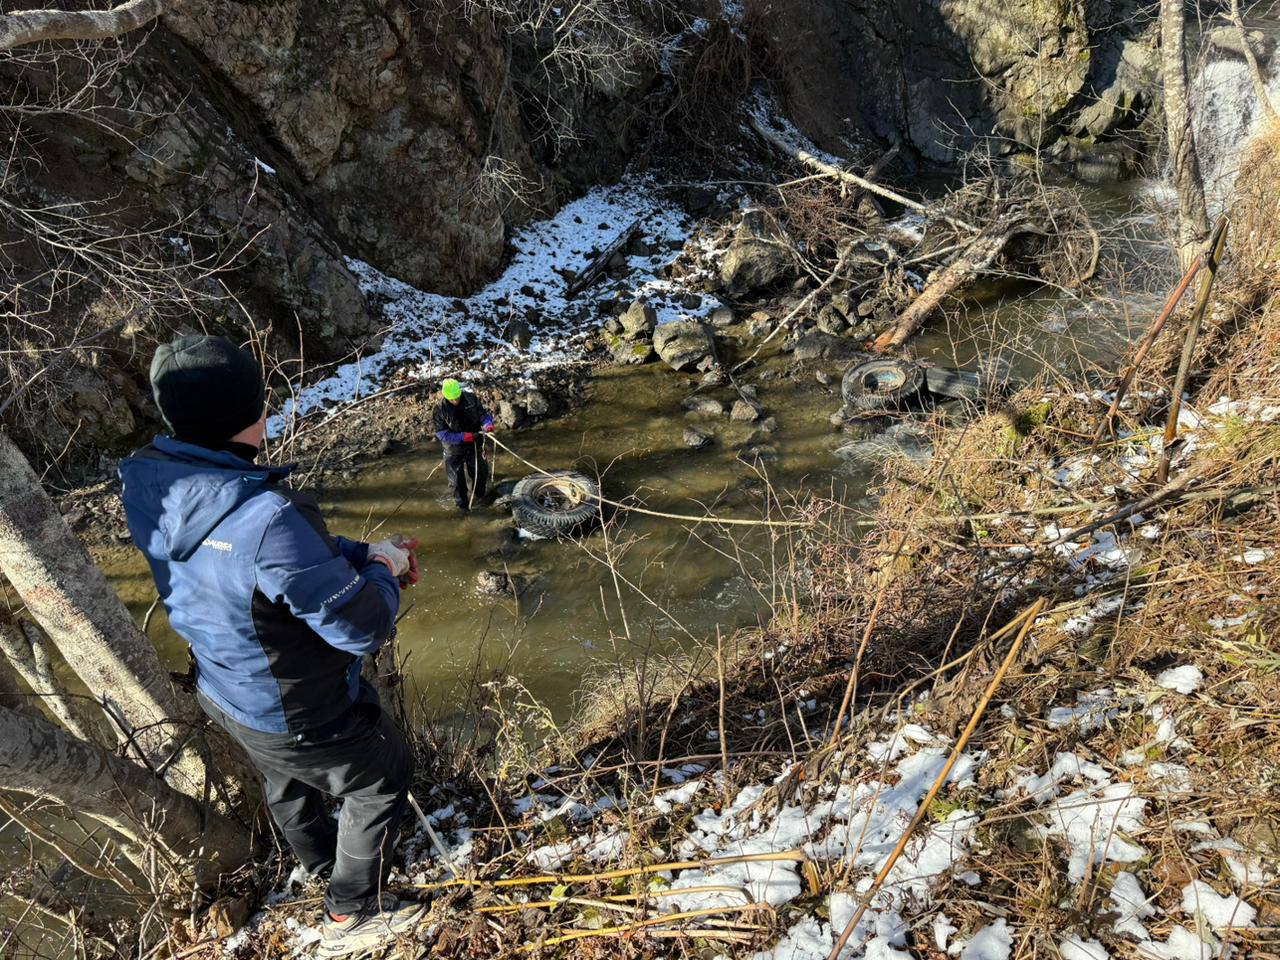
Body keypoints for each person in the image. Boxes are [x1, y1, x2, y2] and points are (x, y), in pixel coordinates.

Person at [119, 335, 425, 958]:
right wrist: (384, 575)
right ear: (250, 416)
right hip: (297, 706)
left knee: (285, 780)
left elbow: (254, 561)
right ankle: (350, 913)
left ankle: (317, 867)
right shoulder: (268, 516)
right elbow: (361, 627)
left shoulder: (152, 482)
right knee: (381, 776)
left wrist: (360, 555)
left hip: (227, 691)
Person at [431, 378, 494, 512]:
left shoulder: (471, 399)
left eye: (457, 397)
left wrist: (487, 423)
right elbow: (442, 434)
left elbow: (483, 414)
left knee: (480, 472)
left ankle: (480, 497)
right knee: (456, 483)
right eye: (452, 399)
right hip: (453, 449)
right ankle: (463, 508)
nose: (456, 401)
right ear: (446, 397)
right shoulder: (439, 409)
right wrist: (462, 437)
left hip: (474, 442)